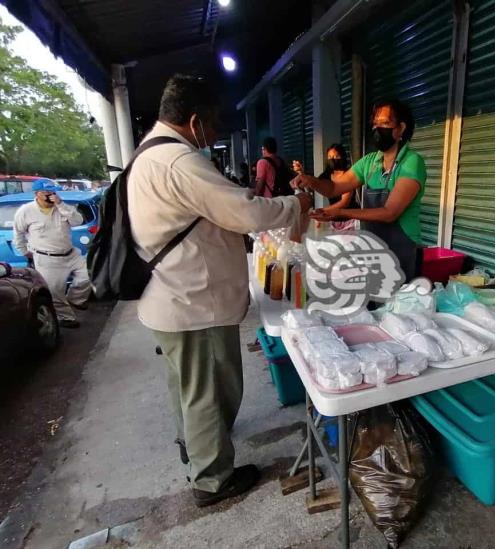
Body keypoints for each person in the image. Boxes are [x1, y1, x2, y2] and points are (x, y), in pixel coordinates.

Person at [126, 74, 312, 508]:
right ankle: (211, 479)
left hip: (171, 298)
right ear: (194, 121)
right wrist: (296, 205)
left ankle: (194, 447)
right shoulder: (178, 160)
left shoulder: (147, 153)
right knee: (209, 389)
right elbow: (243, 212)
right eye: (211, 125)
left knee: (187, 386)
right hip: (194, 302)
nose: (213, 134)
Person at [292, 99, 426, 280]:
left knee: (397, 303)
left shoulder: (411, 162)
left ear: (401, 128)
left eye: (385, 123)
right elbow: (333, 188)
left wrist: (342, 212)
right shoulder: (370, 162)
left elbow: (390, 213)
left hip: (400, 250)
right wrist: (310, 180)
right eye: (375, 124)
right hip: (372, 248)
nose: (377, 129)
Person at [12, 179, 91, 328]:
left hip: (70, 253)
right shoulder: (25, 211)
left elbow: (77, 221)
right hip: (47, 258)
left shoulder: (62, 207)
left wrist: (60, 204)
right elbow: (18, 234)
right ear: (37, 194)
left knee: (87, 276)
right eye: (46, 193)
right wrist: (24, 252)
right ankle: (66, 317)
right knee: (55, 291)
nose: (50, 196)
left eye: (52, 192)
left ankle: (76, 299)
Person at [293, 143, 358, 232]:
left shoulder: (349, 174)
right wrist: (301, 173)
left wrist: (322, 211)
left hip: (350, 219)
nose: (333, 159)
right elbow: (311, 187)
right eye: (330, 157)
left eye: (336, 156)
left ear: (342, 157)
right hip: (334, 219)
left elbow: (344, 203)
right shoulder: (326, 176)